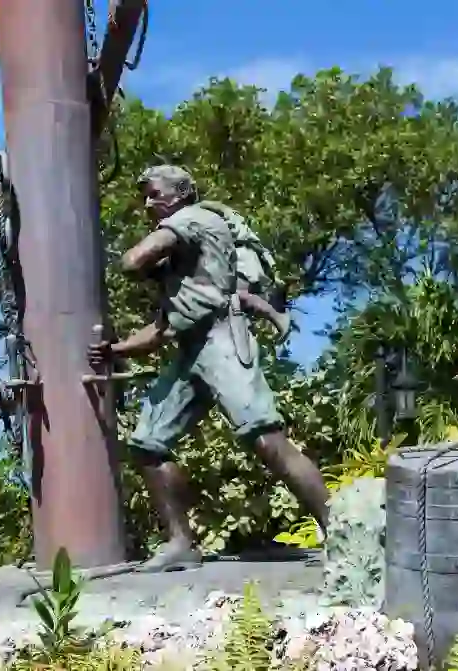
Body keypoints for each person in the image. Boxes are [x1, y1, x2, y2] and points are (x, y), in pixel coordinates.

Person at [88, 165, 330, 572]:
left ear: (181, 192)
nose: (148, 204)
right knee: (147, 443)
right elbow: (161, 331)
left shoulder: (195, 219)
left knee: (266, 439)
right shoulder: (182, 266)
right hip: (190, 351)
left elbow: (132, 261)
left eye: (154, 194)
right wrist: (115, 350)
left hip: (221, 340)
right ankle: (180, 542)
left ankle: (339, 530)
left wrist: (149, 264)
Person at [195, 200, 292, 343]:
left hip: (242, 259)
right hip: (244, 260)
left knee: (233, 297)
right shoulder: (227, 220)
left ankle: (276, 317)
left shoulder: (224, 219)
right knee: (232, 304)